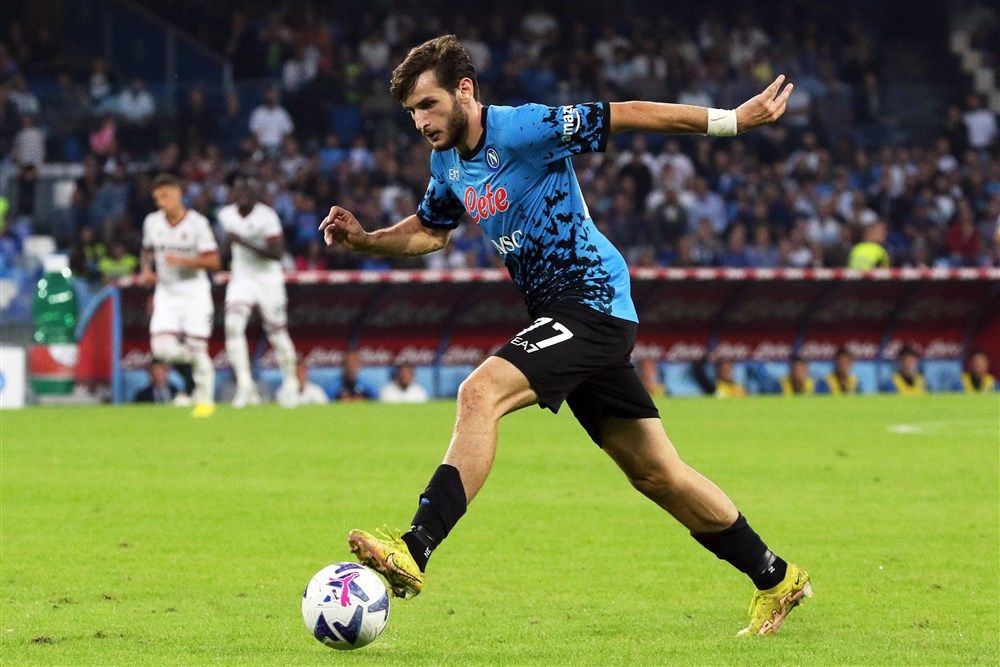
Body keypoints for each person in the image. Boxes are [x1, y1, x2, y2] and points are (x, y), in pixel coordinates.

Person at [321, 35, 808, 637]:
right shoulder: (446, 163)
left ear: (464, 91)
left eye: (428, 104)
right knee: (657, 474)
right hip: (560, 313)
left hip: (592, 300)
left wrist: (732, 121)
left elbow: (628, 114)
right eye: (412, 112)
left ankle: (414, 548)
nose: (421, 121)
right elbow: (431, 230)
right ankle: (776, 577)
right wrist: (367, 241)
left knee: (480, 393)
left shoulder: (525, 128)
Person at [138, 173, 220, 417]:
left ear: (178, 194)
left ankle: (204, 401)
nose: (160, 202)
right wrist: (146, 271)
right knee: (161, 350)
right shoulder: (152, 222)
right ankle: (197, 359)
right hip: (166, 292)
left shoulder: (197, 224)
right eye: (157, 198)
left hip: (194, 292)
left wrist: (184, 261)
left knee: (198, 346)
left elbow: (214, 262)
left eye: (165, 196)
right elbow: (147, 251)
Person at [218, 177, 298, 408]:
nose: (243, 194)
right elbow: (225, 250)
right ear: (233, 193)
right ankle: (245, 386)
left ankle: (290, 383)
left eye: (248, 190)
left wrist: (242, 241)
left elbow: (277, 253)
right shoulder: (226, 215)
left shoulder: (267, 217)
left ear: (256, 195)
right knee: (233, 327)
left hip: (268, 280)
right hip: (241, 278)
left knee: (277, 333)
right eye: (239, 189)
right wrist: (226, 246)